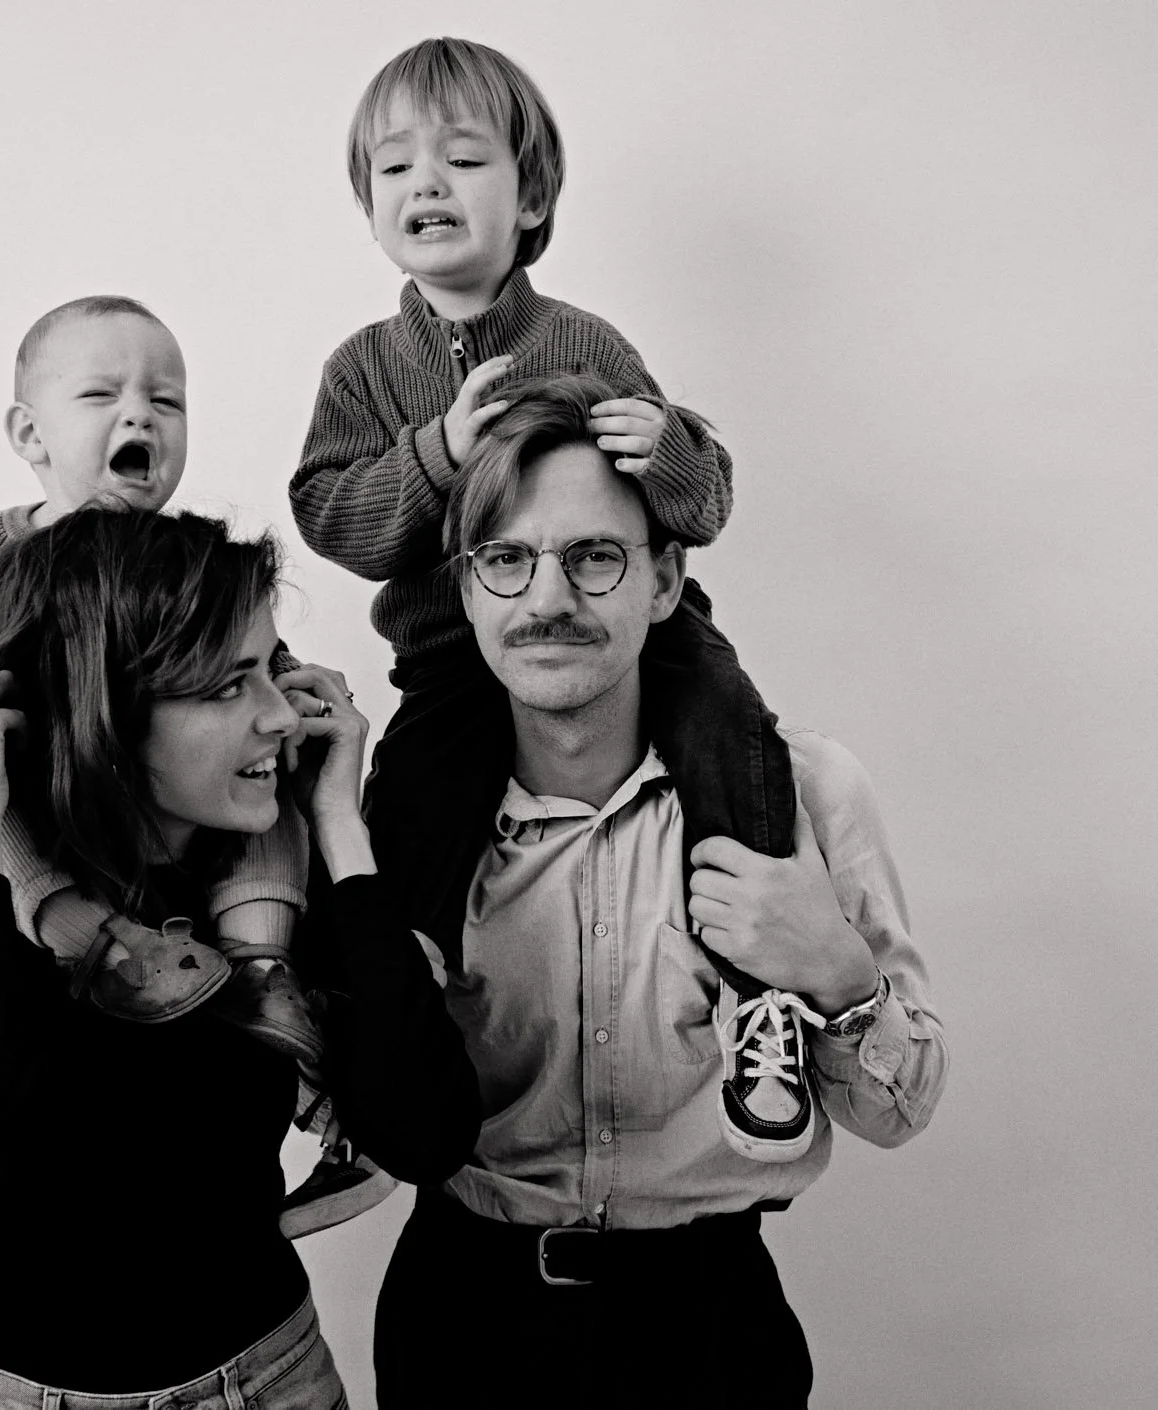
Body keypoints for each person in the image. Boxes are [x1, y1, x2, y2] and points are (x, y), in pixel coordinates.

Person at [289, 36, 821, 1164]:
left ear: (530, 197)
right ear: (368, 204)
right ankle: (389, 1040)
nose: (426, 185)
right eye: (395, 169)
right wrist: (434, 455)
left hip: (631, 640)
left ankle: (755, 993)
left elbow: (703, 504)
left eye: (464, 160)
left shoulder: (585, 342)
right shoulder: (365, 370)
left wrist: (667, 450)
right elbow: (331, 517)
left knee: (733, 728)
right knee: (412, 814)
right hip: (450, 653)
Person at [369, 377, 949, 1408]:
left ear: (666, 581)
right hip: (465, 1323)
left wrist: (834, 971)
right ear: (466, 590)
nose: (549, 601)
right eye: (507, 560)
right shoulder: (409, 835)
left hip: (708, 1331)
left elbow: (901, 1113)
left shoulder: (801, 799)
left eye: (594, 557)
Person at [0, 508, 479, 1408]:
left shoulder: (278, 870)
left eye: (270, 669)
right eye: (227, 687)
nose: (280, 715)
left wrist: (344, 831)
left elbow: (425, 1136)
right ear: (105, 712)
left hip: (267, 1384)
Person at [0, 296, 381, 1231]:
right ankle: (91, 936)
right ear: (28, 433)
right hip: (20, 779)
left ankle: (265, 976)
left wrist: (283, 696)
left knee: (275, 802)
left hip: (255, 1337)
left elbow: (241, 674)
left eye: (166, 401)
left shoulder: (178, 563)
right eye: (101, 394)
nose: (139, 416)